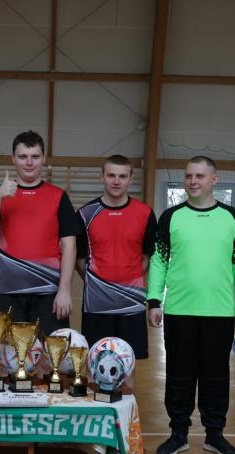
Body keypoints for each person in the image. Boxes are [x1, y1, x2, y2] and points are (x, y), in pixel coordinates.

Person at [148, 156, 235, 454]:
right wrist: (154, 300)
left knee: (216, 377)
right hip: (178, 311)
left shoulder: (231, 217)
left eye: (200, 176)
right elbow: (158, 260)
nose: (193, 181)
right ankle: (178, 434)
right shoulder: (171, 217)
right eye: (189, 176)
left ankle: (215, 435)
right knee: (178, 376)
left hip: (219, 313)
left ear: (214, 180)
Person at [0, 130, 79, 333]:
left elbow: (70, 247)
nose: (29, 163)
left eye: (35, 156)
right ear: (13, 159)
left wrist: (65, 290)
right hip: (6, 292)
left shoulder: (59, 196)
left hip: (48, 293)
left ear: (44, 158)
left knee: (48, 352)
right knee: (5, 352)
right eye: (23, 157)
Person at [76, 155, 156, 391]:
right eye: (111, 175)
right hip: (96, 304)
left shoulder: (145, 213)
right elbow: (79, 258)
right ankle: (92, 412)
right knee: (94, 363)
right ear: (102, 176)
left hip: (131, 303)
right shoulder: (85, 214)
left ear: (131, 179)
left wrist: (126, 283)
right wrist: (99, 285)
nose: (116, 181)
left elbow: (147, 257)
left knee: (127, 364)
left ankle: (127, 413)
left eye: (122, 176)